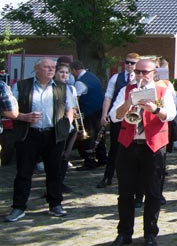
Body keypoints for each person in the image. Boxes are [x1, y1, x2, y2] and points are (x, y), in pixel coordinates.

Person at [104, 58, 176, 246]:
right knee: (125, 192)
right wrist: (130, 101)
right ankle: (124, 233)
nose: (141, 76)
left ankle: (150, 234)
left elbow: (170, 114)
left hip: (153, 146)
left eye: (145, 72)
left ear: (154, 73)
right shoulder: (126, 90)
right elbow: (114, 116)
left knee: (153, 192)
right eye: (138, 72)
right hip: (128, 144)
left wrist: (155, 109)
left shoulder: (163, 90)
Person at [6, 58, 74, 222]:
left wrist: (66, 126)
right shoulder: (22, 86)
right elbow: (9, 109)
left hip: (54, 135)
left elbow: (69, 108)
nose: (51, 70)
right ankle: (19, 207)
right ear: (36, 69)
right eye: (46, 67)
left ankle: (55, 204)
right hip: (29, 134)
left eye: (53, 67)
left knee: (54, 172)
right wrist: (24, 116)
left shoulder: (62, 87)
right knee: (24, 172)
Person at [98, 53, 139, 187]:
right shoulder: (116, 78)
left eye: (132, 63)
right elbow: (108, 96)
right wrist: (105, 115)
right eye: (127, 62)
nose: (129, 65)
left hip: (135, 118)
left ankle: (131, 178)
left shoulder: (139, 79)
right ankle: (108, 176)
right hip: (119, 116)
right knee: (115, 148)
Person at [71, 60, 105, 169]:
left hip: (88, 112)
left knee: (87, 138)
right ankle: (102, 158)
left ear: (74, 70)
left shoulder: (80, 82)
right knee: (99, 136)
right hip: (98, 110)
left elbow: (75, 99)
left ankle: (89, 161)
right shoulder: (92, 76)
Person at [54, 63, 80, 193]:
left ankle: (60, 181)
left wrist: (74, 112)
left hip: (70, 125)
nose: (64, 75)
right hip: (58, 125)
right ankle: (53, 184)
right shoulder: (52, 87)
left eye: (66, 73)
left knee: (66, 155)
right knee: (56, 156)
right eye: (61, 72)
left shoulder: (71, 88)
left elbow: (73, 106)